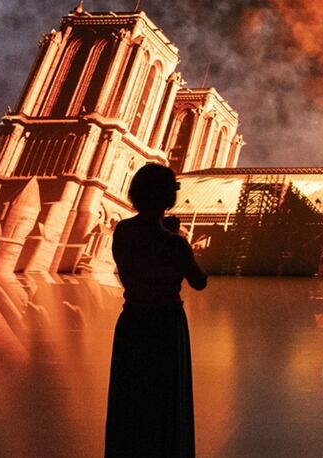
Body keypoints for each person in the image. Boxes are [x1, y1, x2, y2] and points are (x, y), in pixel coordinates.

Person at [106, 163, 208, 457]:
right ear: (168, 198)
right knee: (164, 399)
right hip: (165, 326)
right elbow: (199, 282)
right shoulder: (174, 243)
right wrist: (179, 240)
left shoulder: (122, 231)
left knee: (131, 397)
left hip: (132, 322)